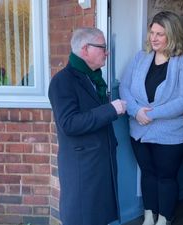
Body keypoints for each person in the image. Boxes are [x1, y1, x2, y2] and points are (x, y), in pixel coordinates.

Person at [119, 11, 183, 225]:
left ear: (172, 35)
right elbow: (125, 88)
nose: (153, 38)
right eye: (152, 32)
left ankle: (164, 218)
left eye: (160, 34)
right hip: (139, 129)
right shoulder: (141, 58)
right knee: (147, 174)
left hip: (171, 133)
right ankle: (148, 215)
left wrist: (151, 114)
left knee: (165, 177)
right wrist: (136, 112)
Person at [48, 27, 126, 225]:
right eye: (102, 47)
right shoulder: (62, 81)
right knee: (82, 218)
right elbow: (69, 123)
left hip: (99, 161)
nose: (106, 52)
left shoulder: (94, 78)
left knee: (98, 217)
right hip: (82, 166)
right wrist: (110, 109)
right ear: (85, 50)